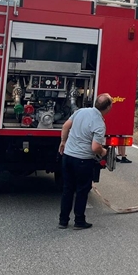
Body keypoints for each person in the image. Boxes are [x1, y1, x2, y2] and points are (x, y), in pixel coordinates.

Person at [58, 93, 113, 229]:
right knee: (82, 191)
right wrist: (103, 152)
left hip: (67, 157)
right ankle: (79, 221)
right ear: (108, 108)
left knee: (67, 189)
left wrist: (63, 142)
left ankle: (63, 221)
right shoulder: (99, 124)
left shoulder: (80, 111)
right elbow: (95, 147)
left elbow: (65, 126)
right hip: (82, 161)